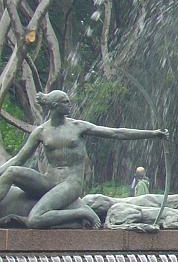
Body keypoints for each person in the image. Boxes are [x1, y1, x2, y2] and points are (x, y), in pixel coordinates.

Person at [0, 90, 167, 228]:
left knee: (35, 219)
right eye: (65, 102)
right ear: (54, 106)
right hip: (48, 181)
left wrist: (152, 134)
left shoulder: (78, 127)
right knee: (12, 171)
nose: (69, 104)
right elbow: (18, 159)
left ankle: (82, 212)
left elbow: (116, 133)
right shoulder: (41, 131)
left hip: (70, 183)